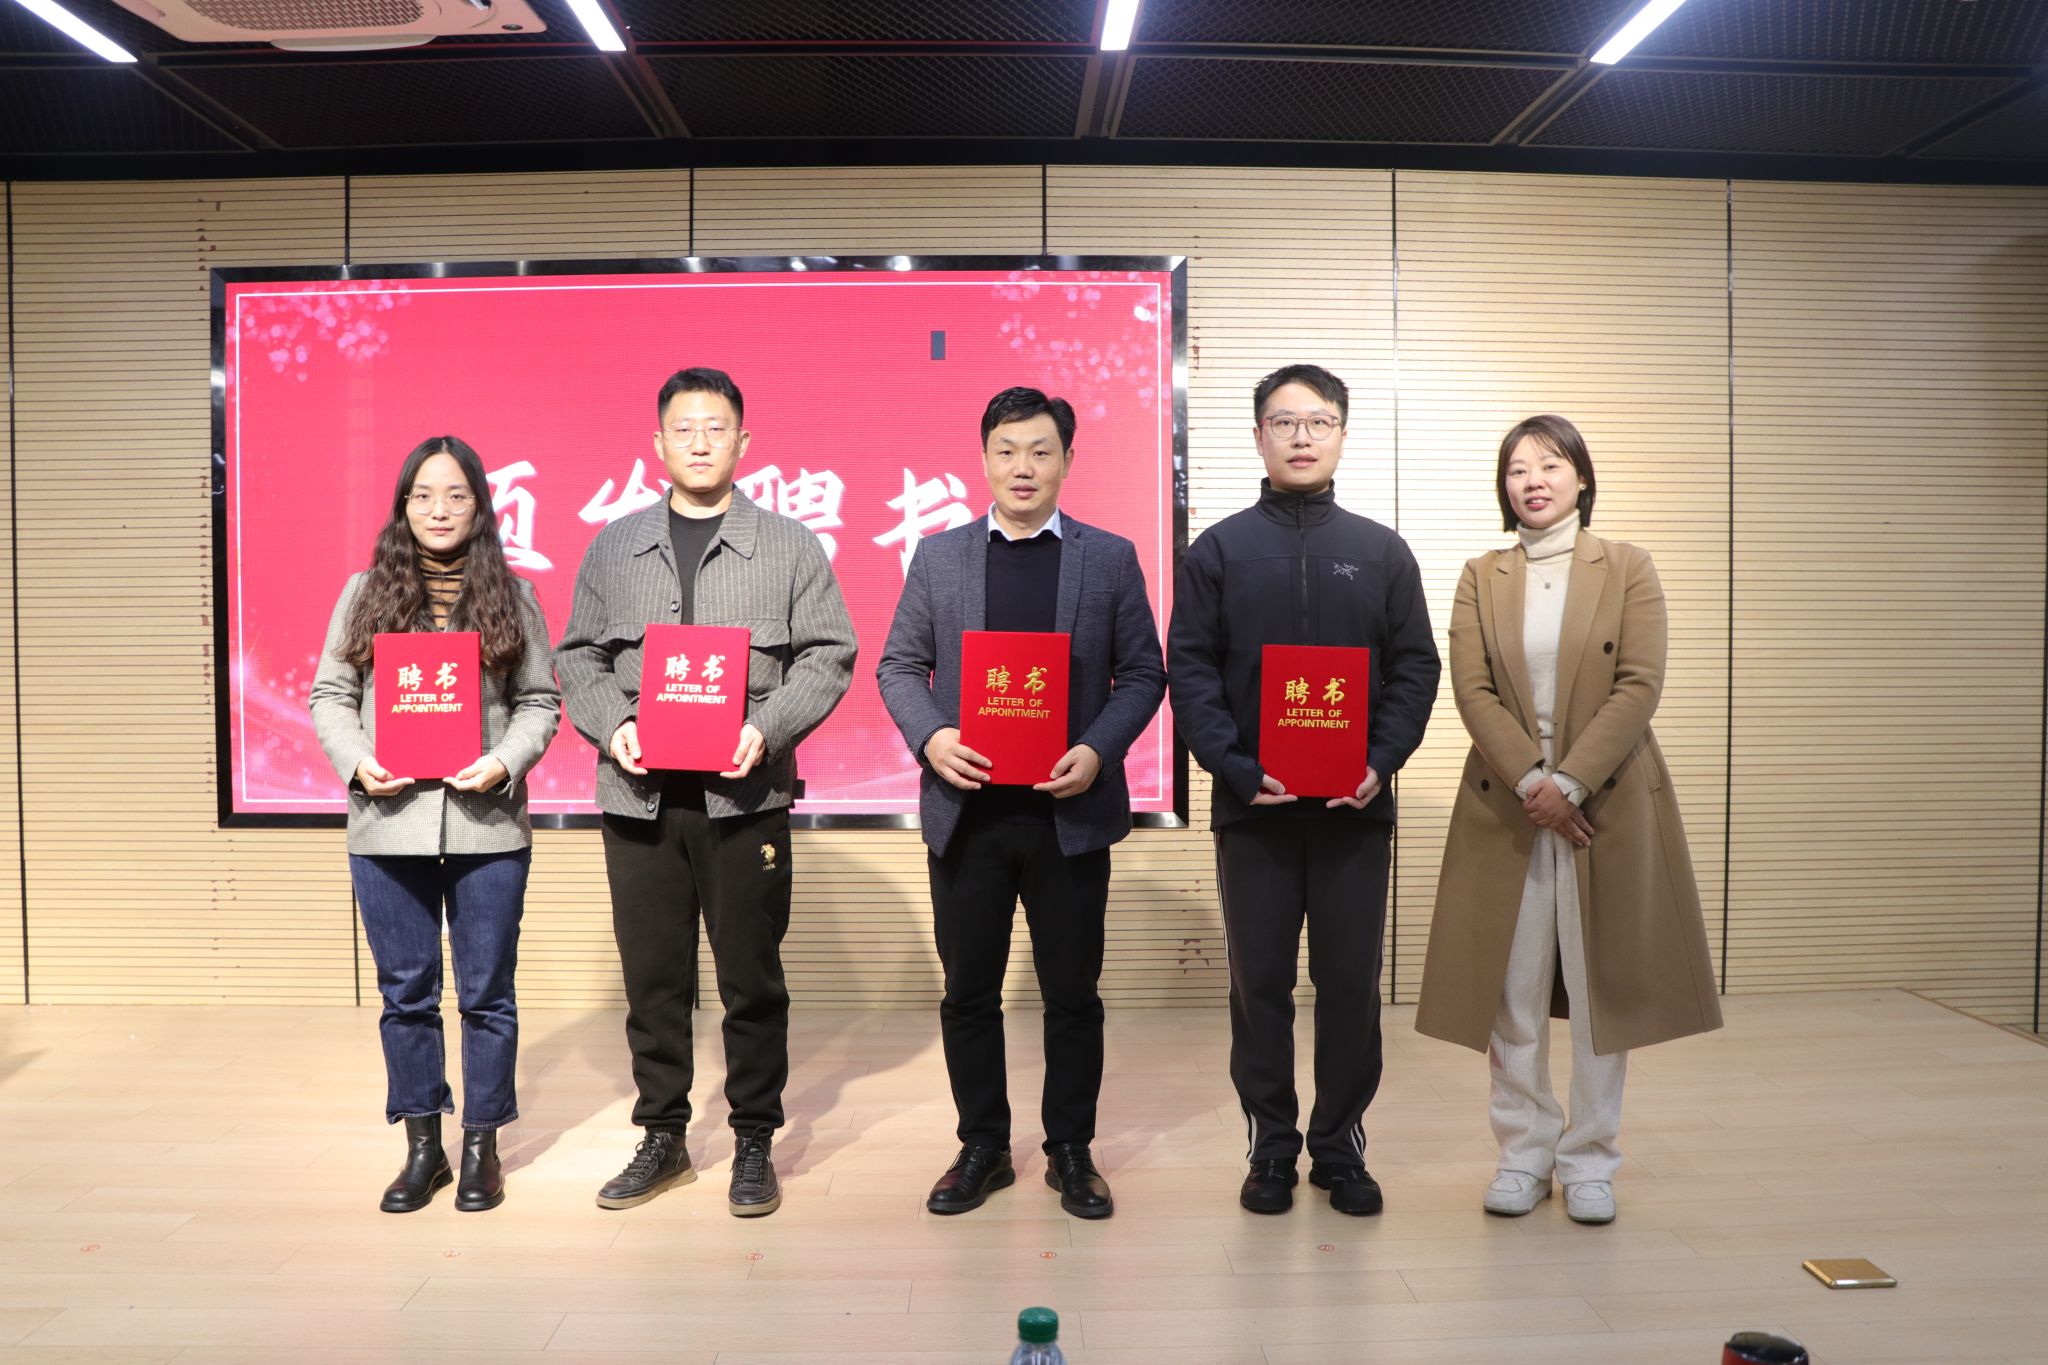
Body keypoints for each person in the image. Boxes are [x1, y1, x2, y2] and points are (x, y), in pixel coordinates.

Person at [556, 367, 856, 1217]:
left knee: (751, 979)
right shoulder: (614, 546)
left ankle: (754, 1138)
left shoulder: (791, 545)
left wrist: (770, 726)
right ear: (657, 443)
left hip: (744, 800)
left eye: (715, 428)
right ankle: (664, 1136)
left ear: (743, 442)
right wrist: (613, 723)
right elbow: (578, 655)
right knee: (653, 979)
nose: (699, 442)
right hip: (639, 800)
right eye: (683, 428)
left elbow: (829, 652)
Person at [1414, 414, 1722, 1225]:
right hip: (1509, 805)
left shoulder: (1626, 566)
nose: (1534, 480)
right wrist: (1533, 780)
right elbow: (1472, 688)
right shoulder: (1482, 575)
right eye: (1518, 468)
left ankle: (1590, 1158)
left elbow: (1640, 682)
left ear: (1582, 477)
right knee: (1511, 992)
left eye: (1550, 464)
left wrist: (1572, 782)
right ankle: (1523, 1153)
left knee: (1600, 989)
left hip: (1605, 801)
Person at [876, 387, 1166, 1220]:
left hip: (1068, 817)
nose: (1023, 466)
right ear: (984, 459)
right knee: (969, 990)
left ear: (1068, 460)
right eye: (1006, 450)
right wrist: (932, 736)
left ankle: (1071, 1147)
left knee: (1072, 992)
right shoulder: (940, 556)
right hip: (968, 815)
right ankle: (983, 1145)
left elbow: (1143, 673)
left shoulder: (1108, 558)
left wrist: (1098, 749)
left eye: (1041, 450)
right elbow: (899, 666)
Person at [1166, 364, 1440, 1216]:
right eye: (1283, 422)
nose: (1300, 436)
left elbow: (1415, 667)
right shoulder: (1218, 551)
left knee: (1351, 983)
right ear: (1258, 436)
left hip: (1356, 809)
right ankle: (1272, 1149)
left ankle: (1339, 1146)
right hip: (1255, 811)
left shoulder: (1381, 551)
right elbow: (1190, 670)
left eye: (1318, 421)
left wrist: (1380, 760)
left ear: (1342, 436)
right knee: (1260, 986)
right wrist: (1237, 768)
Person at [309, 435, 560, 1214]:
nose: (438, 509)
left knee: (487, 992)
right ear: (403, 506)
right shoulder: (364, 592)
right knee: (407, 992)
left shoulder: (513, 594)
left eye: (455, 494)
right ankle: (424, 1148)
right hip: (388, 824)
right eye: (422, 495)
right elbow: (330, 695)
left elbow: (539, 701)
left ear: (480, 505)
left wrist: (504, 761)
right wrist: (357, 762)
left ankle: (482, 1145)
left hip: (488, 826)